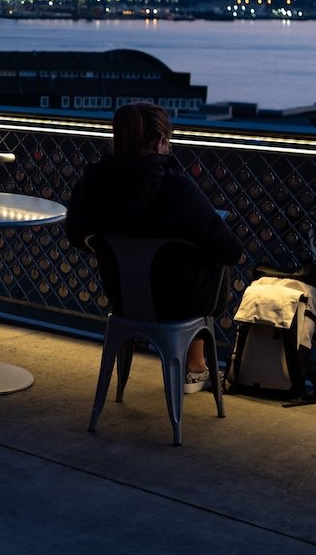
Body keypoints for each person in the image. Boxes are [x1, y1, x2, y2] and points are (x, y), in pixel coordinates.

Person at [66, 101, 244, 392]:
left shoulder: (92, 183)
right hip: (179, 302)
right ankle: (196, 365)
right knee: (211, 255)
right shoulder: (177, 189)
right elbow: (232, 251)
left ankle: (189, 365)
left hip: (121, 296)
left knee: (190, 254)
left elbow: (76, 235)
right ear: (162, 141)